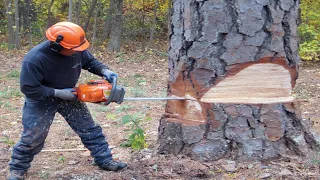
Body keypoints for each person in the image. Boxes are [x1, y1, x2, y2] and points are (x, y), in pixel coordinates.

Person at [8, 21, 127, 180]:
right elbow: (29, 88)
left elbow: (90, 62)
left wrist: (105, 70)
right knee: (33, 137)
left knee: (89, 128)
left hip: (69, 94)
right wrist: (57, 92)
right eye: (73, 50)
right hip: (41, 98)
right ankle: (17, 169)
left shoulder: (76, 48)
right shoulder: (34, 59)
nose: (77, 52)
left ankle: (104, 159)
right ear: (57, 46)